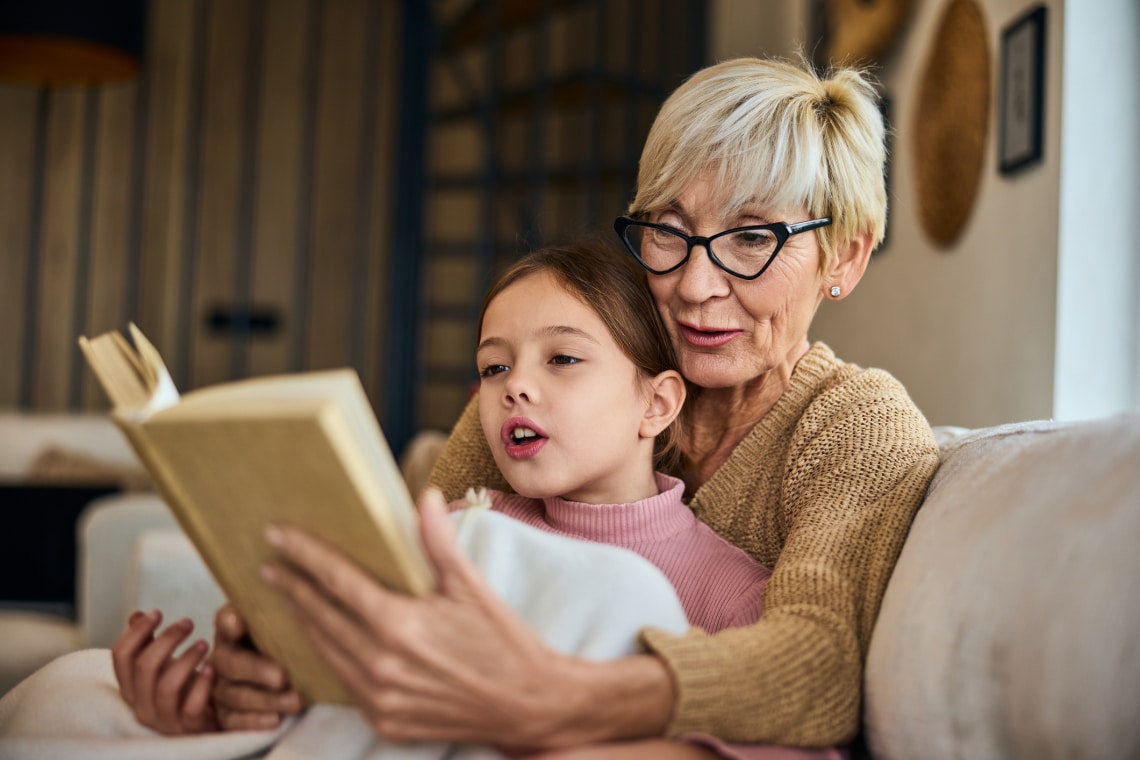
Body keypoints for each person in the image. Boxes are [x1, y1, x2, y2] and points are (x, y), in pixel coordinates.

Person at [206, 54, 940, 755]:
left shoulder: (855, 423)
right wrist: (270, 667)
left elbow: (819, 661)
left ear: (844, 255)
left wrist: (565, 699)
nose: (694, 285)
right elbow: (414, 578)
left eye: (752, 237)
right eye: (670, 231)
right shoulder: (552, 389)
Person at [111, 239, 845, 759]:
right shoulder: (465, 525)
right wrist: (219, 705)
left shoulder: (726, 587)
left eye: (562, 358)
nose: (515, 386)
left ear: (656, 405)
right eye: (494, 367)